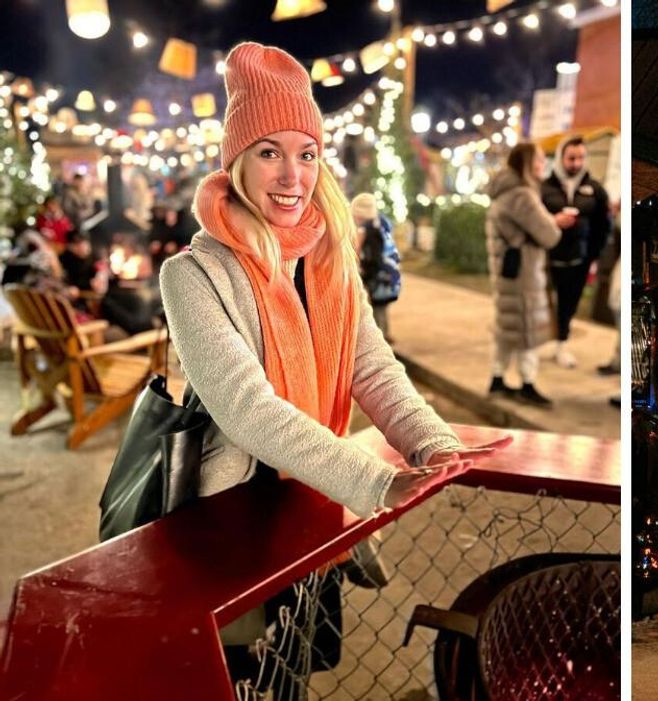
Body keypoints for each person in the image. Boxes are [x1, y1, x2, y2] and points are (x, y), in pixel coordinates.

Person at [158, 43, 511, 688]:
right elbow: (245, 407)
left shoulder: (329, 258)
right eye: (270, 152)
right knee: (236, 673)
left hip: (311, 498)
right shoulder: (192, 275)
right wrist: (372, 481)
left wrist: (431, 444)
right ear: (236, 160)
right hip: (235, 514)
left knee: (298, 664)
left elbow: (370, 366)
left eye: (307, 153)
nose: (293, 176)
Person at [485, 142, 568, 406]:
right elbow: (549, 234)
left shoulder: (503, 192)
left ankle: (497, 379)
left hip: (508, 272)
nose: (544, 164)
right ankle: (527, 384)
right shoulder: (522, 195)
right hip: (524, 275)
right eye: (540, 159)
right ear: (527, 162)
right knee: (526, 329)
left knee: (507, 327)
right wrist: (557, 223)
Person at [540, 135, 611, 369]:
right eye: (571, 158)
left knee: (569, 302)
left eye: (581, 157)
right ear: (561, 158)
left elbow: (603, 225)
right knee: (546, 301)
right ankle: (546, 339)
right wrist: (553, 220)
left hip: (580, 257)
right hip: (549, 256)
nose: (576, 163)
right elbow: (533, 219)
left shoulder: (595, 189)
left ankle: (562, 343)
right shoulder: (544, 187)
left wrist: (594, 255)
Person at [350, 193, 402, 342]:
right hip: (390, 277)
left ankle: (381, 340)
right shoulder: (382, 225)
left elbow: (373, 258)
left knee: (376, 309)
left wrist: (364, 274)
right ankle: (385, 334)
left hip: (379, 278)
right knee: (382, 308)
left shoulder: (371, 232)